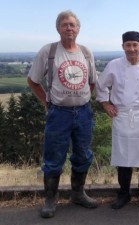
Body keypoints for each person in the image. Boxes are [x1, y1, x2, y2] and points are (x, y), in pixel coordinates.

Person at [27, 10, 98, 218]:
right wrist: (46, 101)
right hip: (58, 114)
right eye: (65, 24)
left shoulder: (86, 52)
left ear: (78, 29)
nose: (69, 28)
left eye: (72, 25)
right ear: (58, 28)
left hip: (83, 113)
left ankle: (78, 193)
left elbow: (91, 81)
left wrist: (81, 98)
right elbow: (33, 80)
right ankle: (50, 199)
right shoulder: (48, 51)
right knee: (53, 157)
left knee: (82, 154)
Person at [96, 31, 139, 210]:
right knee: (123, 157)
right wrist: (106, 104)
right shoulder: (114, 65)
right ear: (123, 47)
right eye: (128, 45)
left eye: (135, 45)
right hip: (121, 115)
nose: (132, 49)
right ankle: (124, 194)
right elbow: (101, 85)